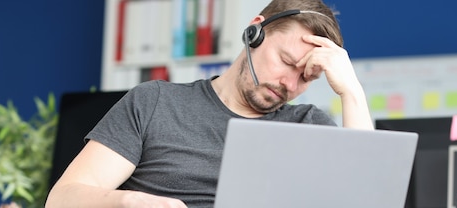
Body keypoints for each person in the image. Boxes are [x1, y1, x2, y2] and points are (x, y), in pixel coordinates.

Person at [45, 0, 373, 207]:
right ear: (254, 33)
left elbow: (368, 200)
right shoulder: (156, 101)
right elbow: (62, 199)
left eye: (306, 77)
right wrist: (129, 201)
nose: (290, 83)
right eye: (286, 61)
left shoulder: (309, 125)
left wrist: (352, 91)